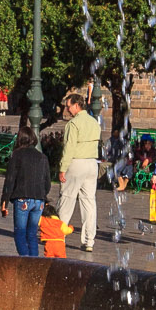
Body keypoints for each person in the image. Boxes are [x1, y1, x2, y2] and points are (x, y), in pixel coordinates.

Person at [57, 91, 102, 252]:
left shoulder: (73, 124)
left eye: (68, 106)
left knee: (67, 200)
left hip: (76, 163)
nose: (67, 110)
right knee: (89, 202)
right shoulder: (94, 122)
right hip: (92, 163)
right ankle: (89, 240)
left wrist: (63, 168)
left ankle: (59, 236)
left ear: (76, 105)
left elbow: (69, 148)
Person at [0, 121, 51, 256]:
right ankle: (34, 265)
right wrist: (41, 195)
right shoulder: (42, 157)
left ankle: (25, 262)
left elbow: (10, 181)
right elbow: (47, 183)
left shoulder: (16, 155)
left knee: (20, 233)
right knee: (32, 234)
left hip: (22, 198)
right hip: (39, 200)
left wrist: (4, 202)